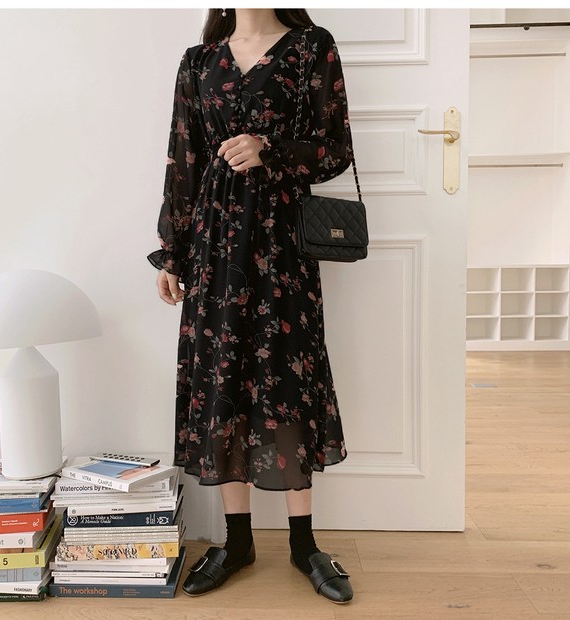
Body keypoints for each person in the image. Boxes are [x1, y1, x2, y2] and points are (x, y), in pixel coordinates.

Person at [147, 8, 354, 604]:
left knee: (287, 378)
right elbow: (182, 160)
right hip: (214, 244)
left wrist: (270, 148)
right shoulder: (198, 61)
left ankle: (303, 544)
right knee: (223, 380)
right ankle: (236, 542)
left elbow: (335, 149)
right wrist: (172, 252)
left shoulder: (311, 47)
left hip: (282, 239)